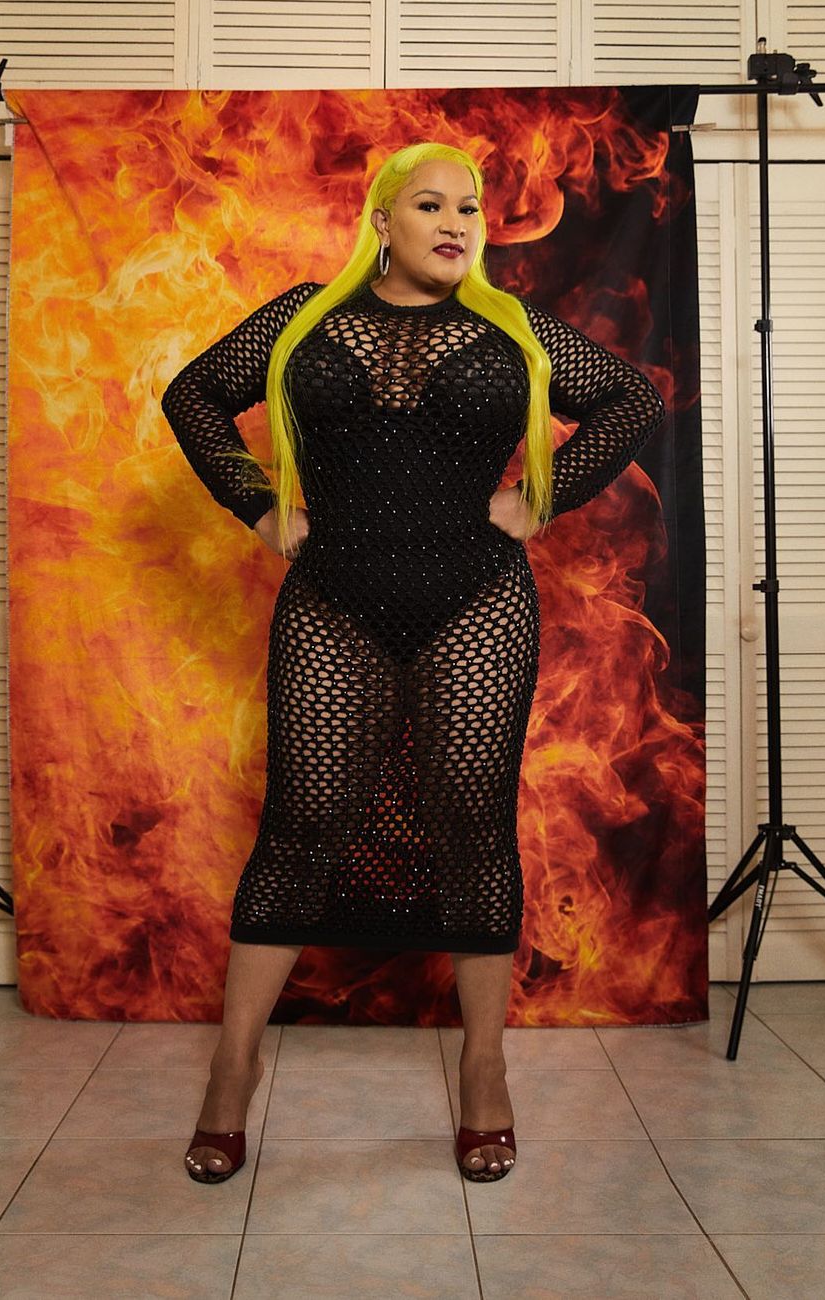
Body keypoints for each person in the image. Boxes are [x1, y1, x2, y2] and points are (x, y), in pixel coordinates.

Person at [160, 142, 666, 1186]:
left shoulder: (512, 326)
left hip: (474, 605)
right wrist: (259, 508)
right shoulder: (307, 317)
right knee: (301, 826)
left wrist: (541, 494)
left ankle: (484, 1072)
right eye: (431, 204)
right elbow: (193, 396)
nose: (457, 222)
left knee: (472, 827)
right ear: (382, 219)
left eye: (470, 208)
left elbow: (630, 400)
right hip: (332, 602)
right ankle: (231, 1071)